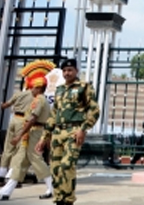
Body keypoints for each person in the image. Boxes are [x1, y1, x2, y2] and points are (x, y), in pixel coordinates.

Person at [36, 58, 100, 205]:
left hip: (74, 131)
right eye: (64, 70)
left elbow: (94, 110)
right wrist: (44, 137)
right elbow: (54, 114)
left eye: (70, 70)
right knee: (55, 168)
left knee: (67, 165)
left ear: (76, 71)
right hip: (57, 133)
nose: (67, 73)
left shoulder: (84, 87)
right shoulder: (59, 89)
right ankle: (59, 199)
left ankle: (68, 200)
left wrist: (83, 129)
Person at [0, 60, 55, 201]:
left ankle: (52, 187)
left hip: (34, 132)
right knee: (20, 162)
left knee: (35, 159)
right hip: (32, 132)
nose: (31, 90)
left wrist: (19, 136)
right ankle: (6, 190)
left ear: (38, 88)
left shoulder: (38, 100)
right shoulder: (42, 100)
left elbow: (32, 119)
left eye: (33, 88)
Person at [0, 79, 33, 182]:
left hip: (13, 119)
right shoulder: (35, 96)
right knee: (19, 149)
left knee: (8, 147)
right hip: (23, 121)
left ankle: (1, 173)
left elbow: (5, 105)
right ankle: (11, 175)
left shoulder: (18, 94)